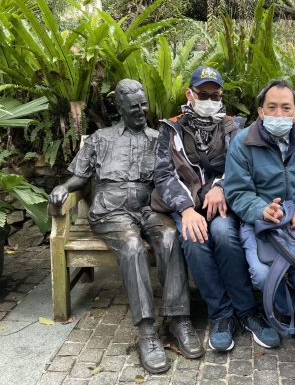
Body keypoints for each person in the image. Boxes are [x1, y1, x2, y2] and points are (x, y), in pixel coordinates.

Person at [48, 79, 202, 374]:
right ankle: (146, 330)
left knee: (170, 236)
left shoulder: (159, 138)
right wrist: (63, 187)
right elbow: (81, 176)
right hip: (111, 210)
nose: (141, 111)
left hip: (150, 207)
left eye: (144, 105)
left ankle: (179, 320)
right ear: (119, 108)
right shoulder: (100, 139)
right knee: (132, 246)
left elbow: (174, 176)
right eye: (133, 107)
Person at [153, 66, 280, 352]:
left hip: (223, 201)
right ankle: (222, 314)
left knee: (223, 232)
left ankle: (247, 310)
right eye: (203, 94)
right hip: (187, 204)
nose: (209, 100)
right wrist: (186, 209)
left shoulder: (235, 127)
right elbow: (163, 174)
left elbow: (243, 165)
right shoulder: (170, 129)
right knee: (194, 238)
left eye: (215, 95)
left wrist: (221, 187)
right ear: (190, 94)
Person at [225, 79, 295, 338]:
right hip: (259, 222)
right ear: (260, 112)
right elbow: (237, 190)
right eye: (271, 107)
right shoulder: (242, 142)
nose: (278, 114)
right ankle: (287, 308)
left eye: (285, 108)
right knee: (262, 274)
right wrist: (262, 210)